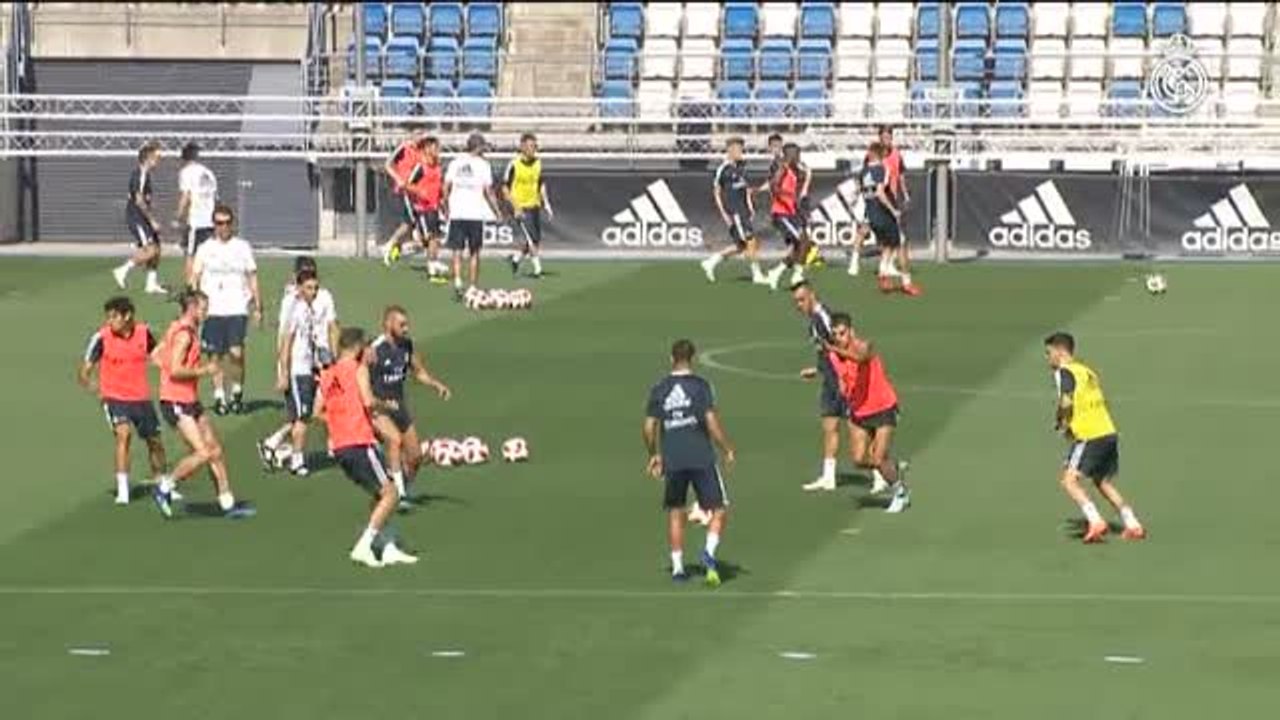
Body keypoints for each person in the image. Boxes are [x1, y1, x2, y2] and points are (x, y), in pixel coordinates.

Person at [316, 327, 419, 568]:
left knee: (380, 495)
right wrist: (387, 405)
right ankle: (364, 545)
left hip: (341, 447)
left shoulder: (328, 375)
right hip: (359, 442)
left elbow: (316, 411)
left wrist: (339, 421)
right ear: (357, 348)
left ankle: (389, 546)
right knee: (392, 493)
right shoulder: (358, 369)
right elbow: (369, 401)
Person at [152, 289, 254, 519]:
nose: (206, 313)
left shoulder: (178, 328)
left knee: (215, 449)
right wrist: (204, 370)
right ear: (192, 308)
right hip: (176, 400)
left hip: (189, 398)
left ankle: (227, 504)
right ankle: (165, 486)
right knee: (203, 453)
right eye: (203, 309)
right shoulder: (184, 335)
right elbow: (176, 370)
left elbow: (157, 356)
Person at [644, 339, 736, 587]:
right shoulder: (701, 386)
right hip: (701, 457)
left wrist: (654, 454)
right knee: (719, 509)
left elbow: (649, 426)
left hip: (673, 459)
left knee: (676, 512)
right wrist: (726, 448)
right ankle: (709, 551)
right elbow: (711, 421)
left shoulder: (659, 388)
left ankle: (677, 568)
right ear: (692, 359)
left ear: (671, 358)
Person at [1044, 332, 1146, 543]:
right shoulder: (1087, 371)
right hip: (1108, 431)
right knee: (1102, 481)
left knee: (1069, 481)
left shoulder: (1065, 372)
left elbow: (1066, 400)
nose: (1048, 358)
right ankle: (1133, 524)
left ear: (1060, 352)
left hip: (1089, 434)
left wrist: (1061, 421)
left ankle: (1095, 521)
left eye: (1049, 353)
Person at [77, 296, 169, 505]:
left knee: (154, 442)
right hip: (115, 398)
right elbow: (84, 372)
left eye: (114, 317)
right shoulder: (102, 337)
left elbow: (158, 357)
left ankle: (162, 482)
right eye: (108, 317)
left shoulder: (144, 333)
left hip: (141, 397)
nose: (109, 322)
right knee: (123, 435)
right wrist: (99, 392)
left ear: (127, 316)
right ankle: (123, 490)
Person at [825, 313, 912, 513]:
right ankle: (892, 466)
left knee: (878, 459)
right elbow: (843, 376)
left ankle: (901, 493)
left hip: (883, 408)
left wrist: (833, 349)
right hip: (859, 411)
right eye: (835, 334)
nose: (839, 338)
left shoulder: (865, 346)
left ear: (851, 331)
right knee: (859, 460)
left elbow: (860, 358)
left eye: (842, 333)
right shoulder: (834, 355)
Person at [369, 305, 452, 510]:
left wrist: (436, 384)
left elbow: (419, 371)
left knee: (415, 457)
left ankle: (397, 488)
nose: (406, 329)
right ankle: (400, 495)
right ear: (388, 324)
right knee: (395, 442)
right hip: (380, 408)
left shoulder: (407, 345)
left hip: (399, 406)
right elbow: (361, 379)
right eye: (402, 324)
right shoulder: (375, 349)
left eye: (406, 324)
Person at [265, 268, 338, 477]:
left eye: (315, 288)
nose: (313, 292)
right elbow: (286, 343)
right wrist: (283, 373)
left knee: (303, 415)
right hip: (297, 370)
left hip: (307, 367)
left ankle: (274, 445)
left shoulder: (308, 309)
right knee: (303, 417)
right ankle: (296, 460)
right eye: (308, 288)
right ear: (299, 288)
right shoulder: (296, 310)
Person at [192, 204, 262, 415]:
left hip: (237, 307)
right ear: (213, 225)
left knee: (236, 353)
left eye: (227, 223)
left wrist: (258, 306)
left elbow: (252, 276)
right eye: (219, 223)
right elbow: (195, 277)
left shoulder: (242, 247)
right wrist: (195, 305)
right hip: (212, 309)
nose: (223, 227)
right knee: (214, 355)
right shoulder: (205, 249)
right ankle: (220, 397)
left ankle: (237, 392)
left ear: (233, 224)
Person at [443, 131, 504, 298]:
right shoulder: (483, 165)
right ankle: (472, 287)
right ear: (478, 148)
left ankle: (458, 281)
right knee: (474, 252)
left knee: (457, 250)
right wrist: (497, 211)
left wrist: (446, 207)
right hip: (475, 213)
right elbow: (488, 191)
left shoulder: (455, 162)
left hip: (457, 212)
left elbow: (446, 187)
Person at [700, 137, 765, 285]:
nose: (741, 152)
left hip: (743, 211)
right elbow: (717, 192)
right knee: (750, 241)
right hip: (734, 211)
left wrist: (750, 206)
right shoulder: (723, 169)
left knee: (741, 245)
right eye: (738, 149)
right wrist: (724, 213)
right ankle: (757, 275)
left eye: (741, 149)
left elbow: (745, 189)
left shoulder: (741, 167)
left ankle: (711, 262)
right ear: (730, 150)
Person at [862, 142, 921, 296]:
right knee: (901, 246)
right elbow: (880, 193)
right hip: (884, 214)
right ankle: (907, 283)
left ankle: (883, 276)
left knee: (888, 245)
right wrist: (893, 210)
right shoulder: (882, 169)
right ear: (881, 155)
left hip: (872, 214)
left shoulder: (864, 171)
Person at [112, 142, 168, 294]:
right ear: (148, 158)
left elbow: (146, 199)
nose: (159, 160)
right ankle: (122, 270)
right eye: (157, 157)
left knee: (157, 248)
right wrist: (152, 220)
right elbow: (139, 201)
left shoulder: (147, 175)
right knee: (150, 250)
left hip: (143, 217)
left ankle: (151, 284)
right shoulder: (139, 175)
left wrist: (153, 212)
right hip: (136, 217)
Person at [764, 143, 816, 291]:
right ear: (790, 154)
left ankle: (776, 273)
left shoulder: (795, 171)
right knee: (802, 242)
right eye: (797, 154)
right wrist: (788, 196)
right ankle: (797, 276)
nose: (799, 157)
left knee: (802, 245)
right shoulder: (782, 168)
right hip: (781, 213)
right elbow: (774, 187)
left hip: (792, 213)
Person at [505, 132, 554, 279]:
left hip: (534, 204)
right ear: (522, 147)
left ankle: (515, 260)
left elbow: (541, 184)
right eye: (530, 146)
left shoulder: (538, 163)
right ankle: (538, 269)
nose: (533, 149)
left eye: (534, 146)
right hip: (520, 206)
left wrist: (546, 204)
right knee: (531, 239)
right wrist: (515, 207)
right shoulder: (514, 164)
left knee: (535, 239)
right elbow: (504, 188)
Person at [402, 135, 451, 283]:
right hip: (422, 208)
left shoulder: (438, 167)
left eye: (438, 148)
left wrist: (444, 205)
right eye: (435, 148)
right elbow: (407, 185)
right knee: (430, 238)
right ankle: (432, 269)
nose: (438, 151)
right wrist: (419, 191)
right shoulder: (420, 167)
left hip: (434, 208)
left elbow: (439, 188)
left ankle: (431, 261)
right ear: (427, 149)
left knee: (435, 238)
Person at [381, 129, 428, 266]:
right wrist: (398, 178)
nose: (421, 137)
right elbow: (387, 164)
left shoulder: (422, 152)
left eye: (422, 135)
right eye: (418, 134)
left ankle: (397, 249)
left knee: (413, 223)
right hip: (403, 190)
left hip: (413, 192)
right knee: (409, 222)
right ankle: (390, 245)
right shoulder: (404, 148)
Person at [174, 142, 218, 287]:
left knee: (190, 255)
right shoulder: (208, 172)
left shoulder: (186, 172)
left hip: (197, 221)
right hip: (211, 221)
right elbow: (214, 197)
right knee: (208, 256)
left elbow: (186, 195)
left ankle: (191, 288)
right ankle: (206, 285)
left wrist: (178, 216)